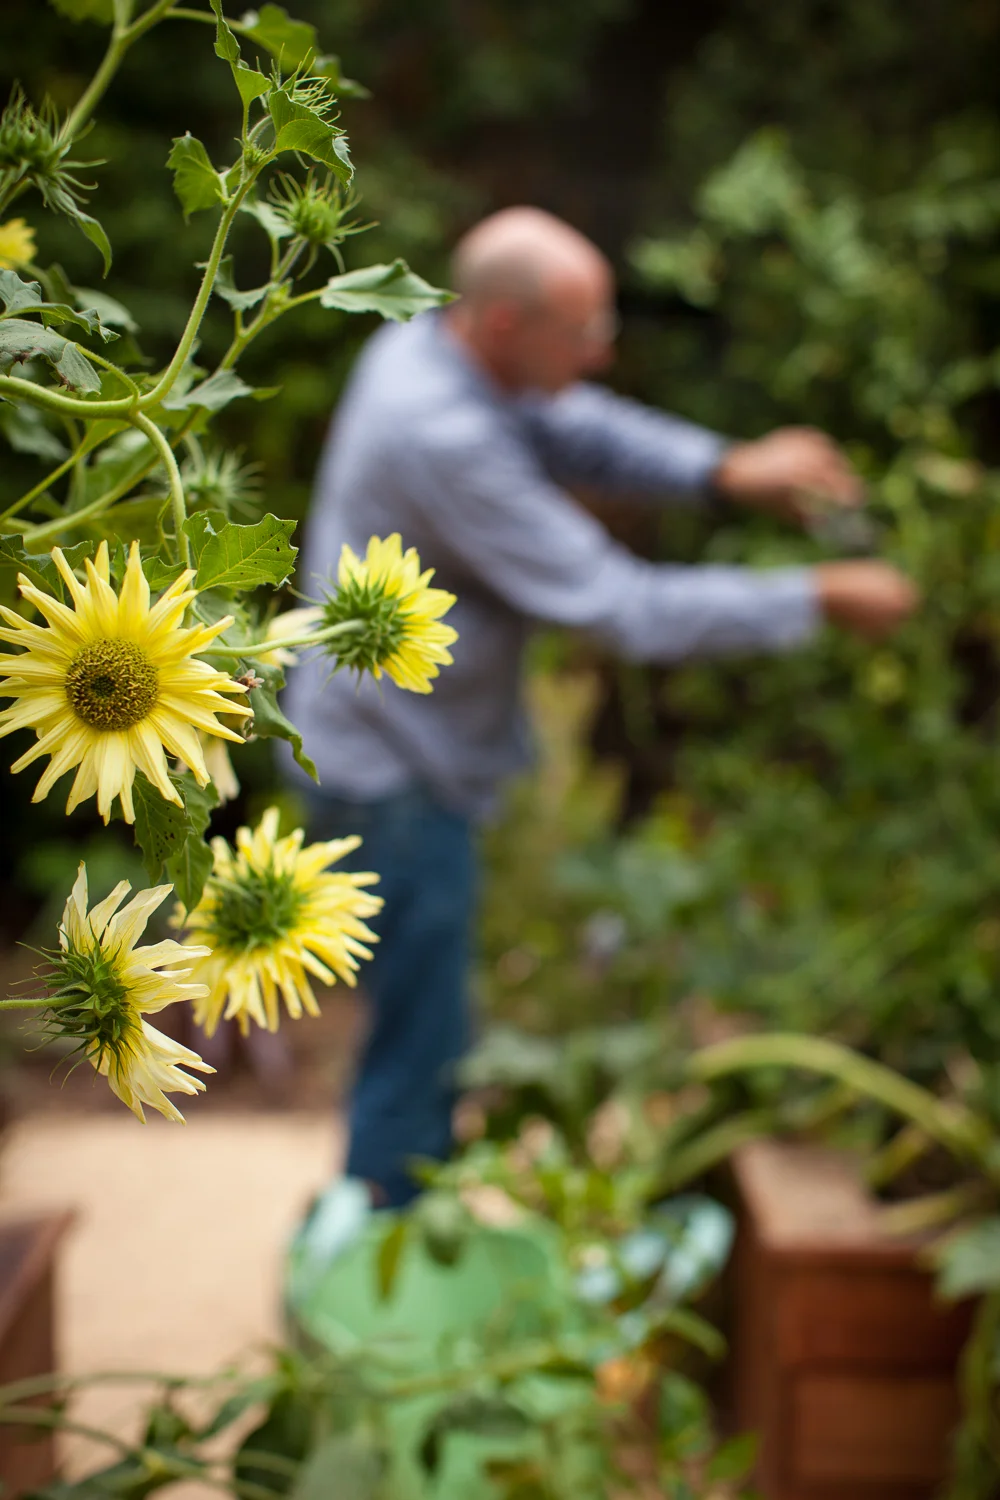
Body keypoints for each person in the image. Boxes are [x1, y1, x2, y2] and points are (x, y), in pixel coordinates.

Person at [282, 206, 917, 1208]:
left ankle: (380, 1244)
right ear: (500, 323)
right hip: (390, 769)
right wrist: (817, 596)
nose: (603, 350)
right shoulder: (438, 433)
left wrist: (719, 470)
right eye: (582, 332)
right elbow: (624, 610)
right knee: (421, 1043)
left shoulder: (431, 344)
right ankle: (377, 1287)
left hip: (391, 745)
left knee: (426, 1023)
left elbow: (576, 422)